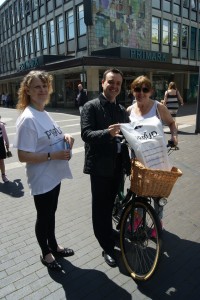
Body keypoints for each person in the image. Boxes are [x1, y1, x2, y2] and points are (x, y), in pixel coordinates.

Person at [14, 70, 75, 271]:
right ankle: (46, 253)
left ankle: (54, 245)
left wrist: (65, 137)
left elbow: (52, 135)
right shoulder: (28, 118)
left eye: (44, 86)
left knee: (51, 213)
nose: (42, 90)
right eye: (37, 87)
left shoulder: (43, 112)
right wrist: (52, 156)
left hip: (54, 176)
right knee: (44, 216)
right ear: (28, 90)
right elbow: (23, 156)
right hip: (41, 178)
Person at [81, 68, 130, 267]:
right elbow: (86, 134)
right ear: (102, 82)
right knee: (100, 210)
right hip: (100, 169)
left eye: (118, 83)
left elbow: (129, 137)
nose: (114, 86)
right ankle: (106, 247)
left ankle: (109, 232)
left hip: (118, 167)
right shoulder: (90, 106)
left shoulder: (120, 109)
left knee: (111, 206)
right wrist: (107, 134)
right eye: (111, 82)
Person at [127, 75, 178, 231]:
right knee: (139, 189)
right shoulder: (129, 110)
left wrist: (174, 136)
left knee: (158, 191)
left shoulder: (158, 107)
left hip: (157, 155)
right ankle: (138, 219)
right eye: (137, 89)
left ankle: (158, 221)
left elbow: (171, 122)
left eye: (145, 89)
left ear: (151, 91)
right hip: (137, 157)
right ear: (132, 91)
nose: (141, 93)